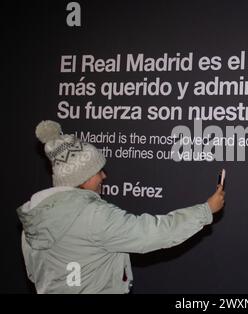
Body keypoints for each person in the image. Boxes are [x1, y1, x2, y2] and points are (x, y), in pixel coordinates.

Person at [17, 120, 225, 294]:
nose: (104, 176)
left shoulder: (34, 218)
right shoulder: (94, 216)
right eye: (99, 171)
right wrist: (206, 210)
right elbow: (154, 233)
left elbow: (35, 274)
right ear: (84, 177)